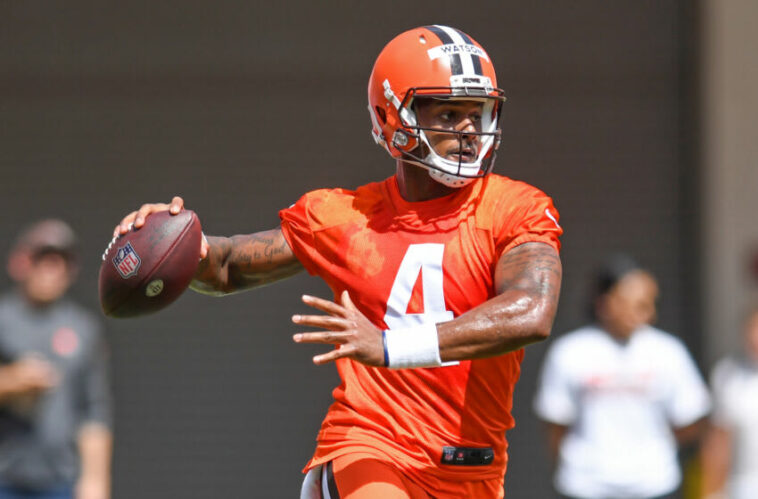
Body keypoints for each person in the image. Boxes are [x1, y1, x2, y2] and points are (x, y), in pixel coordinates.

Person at [114, 25, 563, 499]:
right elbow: (224, 267)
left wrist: (389, 345)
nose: (469, 131)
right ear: (392, 116)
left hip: (472, 470)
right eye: (449, 113)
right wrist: (175, 239)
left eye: (478, 113)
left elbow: (531, 312)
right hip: (369, 450)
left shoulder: (516, 208)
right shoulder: (346, 217)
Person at [533, 254, 711, 499]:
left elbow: (692, 418)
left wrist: (654, 446)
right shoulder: (570, 352)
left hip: (653, 484)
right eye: (639, 305)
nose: (648, 314)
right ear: (605, 303)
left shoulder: (668, 351)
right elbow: (555, 422)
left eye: (650, 304)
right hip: (586, 486)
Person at [0, 220, 113, 499]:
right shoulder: (3, 320)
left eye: (61, 261)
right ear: (23, 263)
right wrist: (12, 381)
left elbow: (94, 412)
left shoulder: (82, 329)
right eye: (44, 260)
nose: (52, 270)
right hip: (6, 477)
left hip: (60, 481)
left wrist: (95, 481)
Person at [699, 304, 758, 499]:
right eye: (752, 328)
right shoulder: (728, 374)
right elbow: (718, 439)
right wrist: (712, 492)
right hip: (743, 488)